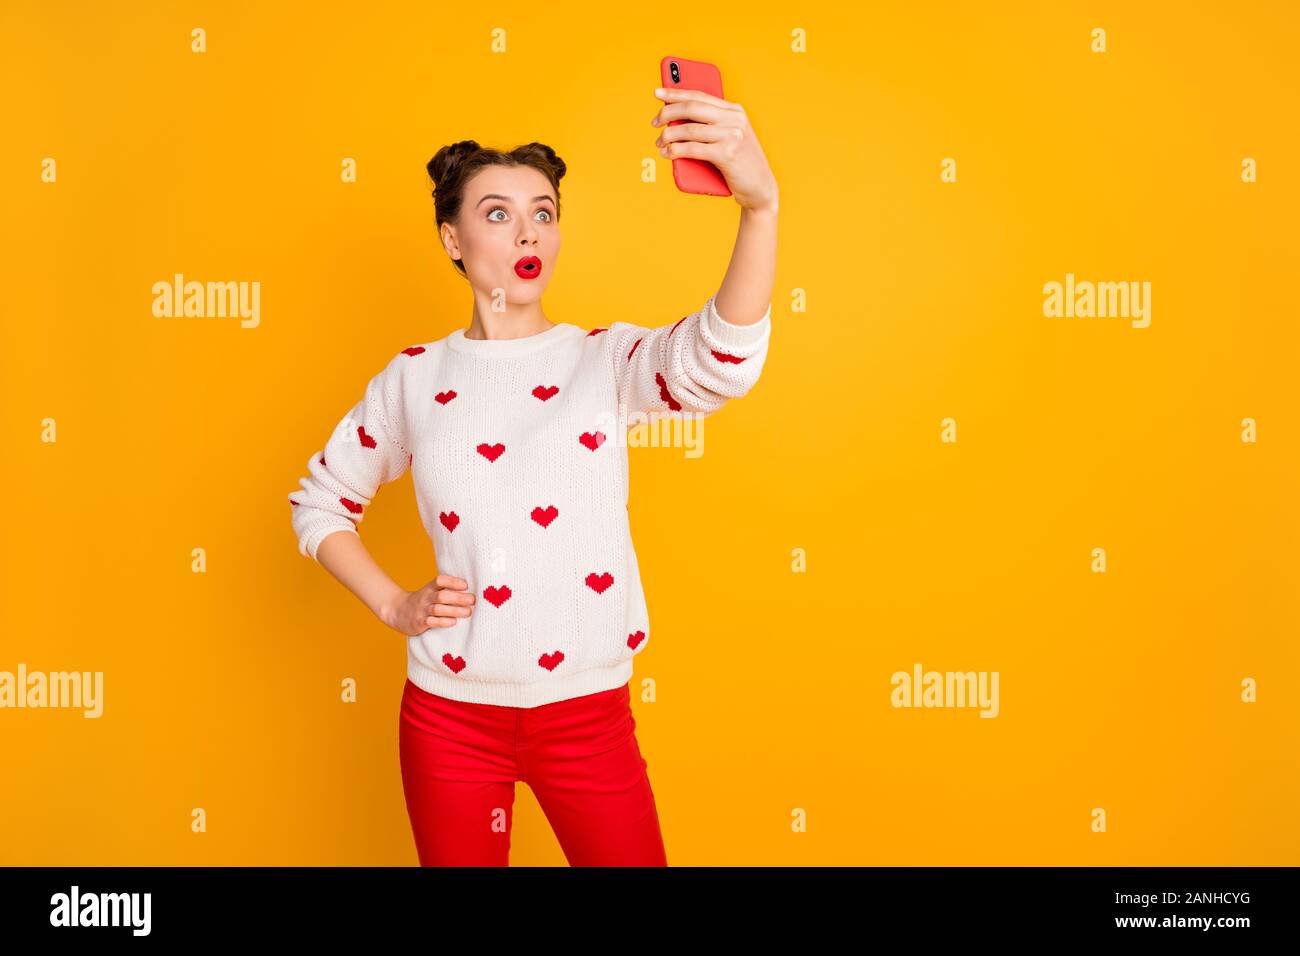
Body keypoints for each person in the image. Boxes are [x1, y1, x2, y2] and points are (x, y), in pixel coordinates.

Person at [287, 85, 778, 865]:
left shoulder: (604, 361)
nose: (529, 231)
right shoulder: (415, 379)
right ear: (452, 239)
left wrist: (759, 207)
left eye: (543, 212)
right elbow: (320, 503)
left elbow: (719, 364)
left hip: (589, 718)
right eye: (497, 213)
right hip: (448, 722)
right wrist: (393, 603)